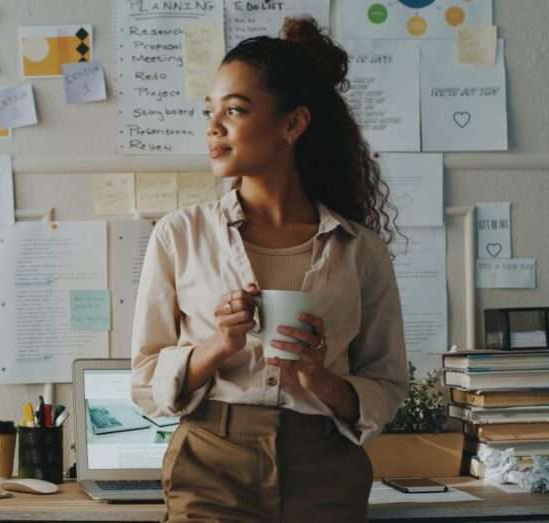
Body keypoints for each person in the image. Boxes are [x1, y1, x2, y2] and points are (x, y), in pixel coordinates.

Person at [130, 17, 409, 523]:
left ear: (293, 124)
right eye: (209, 111)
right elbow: (146, 379)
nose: (214, 126)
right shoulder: (179, 235)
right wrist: (219, 345)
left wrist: (317, 377)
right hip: (211, 464)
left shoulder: (361, 250)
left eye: (234, 110)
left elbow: (387, 386)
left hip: (326, 469)